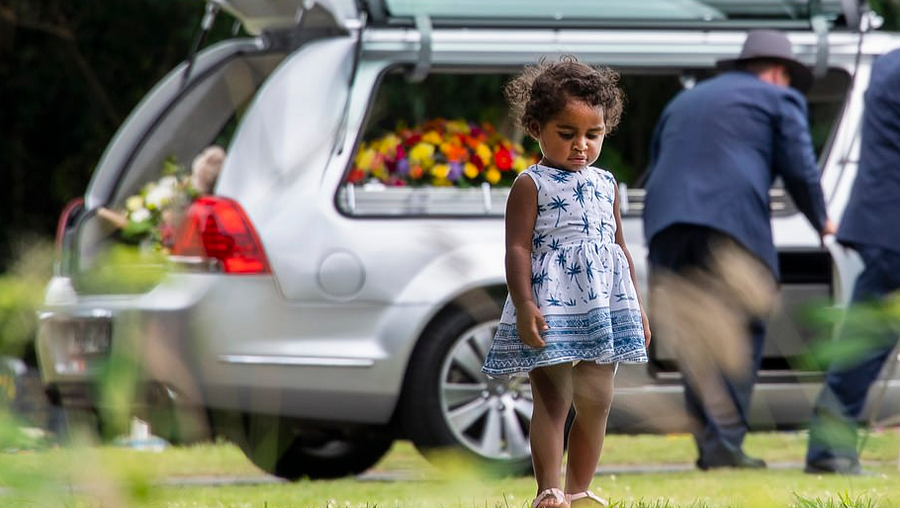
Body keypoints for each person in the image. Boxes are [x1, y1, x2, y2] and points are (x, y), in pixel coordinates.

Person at [642, 29, 837, 470]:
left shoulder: (685, 100)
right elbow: (800, 168)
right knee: (739, 332)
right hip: (729, 223)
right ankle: (725, 448)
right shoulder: (779, 99)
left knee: (697, 332)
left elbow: (657, 159)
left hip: (666, 224)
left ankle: (712, 447)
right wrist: (822, 220)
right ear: (777, 72)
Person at [482, 56, 650, 508]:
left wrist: (635, 306)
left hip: (602, 304)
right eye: (567, 133)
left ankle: (579, 490)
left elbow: (618, 247)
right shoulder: (530, 184)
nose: (581, 146)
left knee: (597, 401)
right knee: (553, 402)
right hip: (552, 303)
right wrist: (523, 304)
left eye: (592, 135)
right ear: (537, 127)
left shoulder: (607, 183)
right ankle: (549, 491)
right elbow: (517, 248)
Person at [804, 47, 900, 475]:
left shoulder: (888, 62)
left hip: (883, 221)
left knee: (865, 340)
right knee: (865, 342)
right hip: (892, 224)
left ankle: (829, 448)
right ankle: (828, 449)